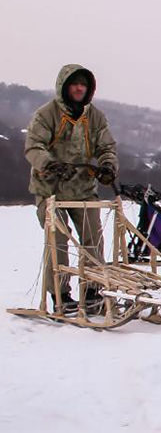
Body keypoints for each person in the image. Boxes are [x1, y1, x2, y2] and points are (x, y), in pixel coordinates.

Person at [24, 64, 119, 314]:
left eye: (83, 85)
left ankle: (92, 291)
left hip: (83, 188)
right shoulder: (46, 114)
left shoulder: (95, 116)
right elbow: (33, 146)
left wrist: (108, 165)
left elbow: (106, 146)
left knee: (92, 238)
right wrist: (49, 165)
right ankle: (60, 294)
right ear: (65, 86)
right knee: (58, 239)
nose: (79, 88)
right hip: (50, 188)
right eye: (75, 83)